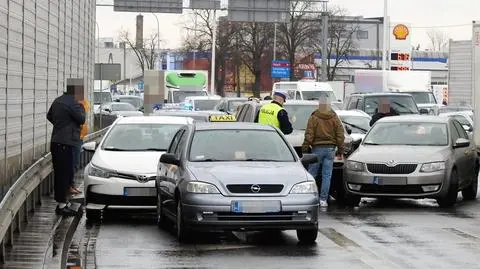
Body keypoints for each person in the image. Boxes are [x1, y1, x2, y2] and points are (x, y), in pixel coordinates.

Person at [47, 85, 85, 216]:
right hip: (66, 143)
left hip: (56, 141)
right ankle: (62, 205)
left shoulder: (58, 100)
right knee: (64, 174)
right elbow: (82, 119)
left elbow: (49, 116)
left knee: (61, 173)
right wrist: (81, 106)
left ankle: (63, 202)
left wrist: (60, 126)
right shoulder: (74, 103)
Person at [302, 97, 344, 207]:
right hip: (330, 149)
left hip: (317, 149)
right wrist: (340, 150)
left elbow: (309, 134)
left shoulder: (314, 117)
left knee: (312, 174)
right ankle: (323, 200)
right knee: (327, 176)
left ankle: (310, 197)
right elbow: (340, 135)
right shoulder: (334, 117)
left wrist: (305, 148)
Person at [70, 99, 90, 194]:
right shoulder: (78, 105)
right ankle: (70, 185)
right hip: (75, 139)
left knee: (75, 163)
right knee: (73, 163)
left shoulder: (83, 103)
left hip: (79, 138)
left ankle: (71, 185)